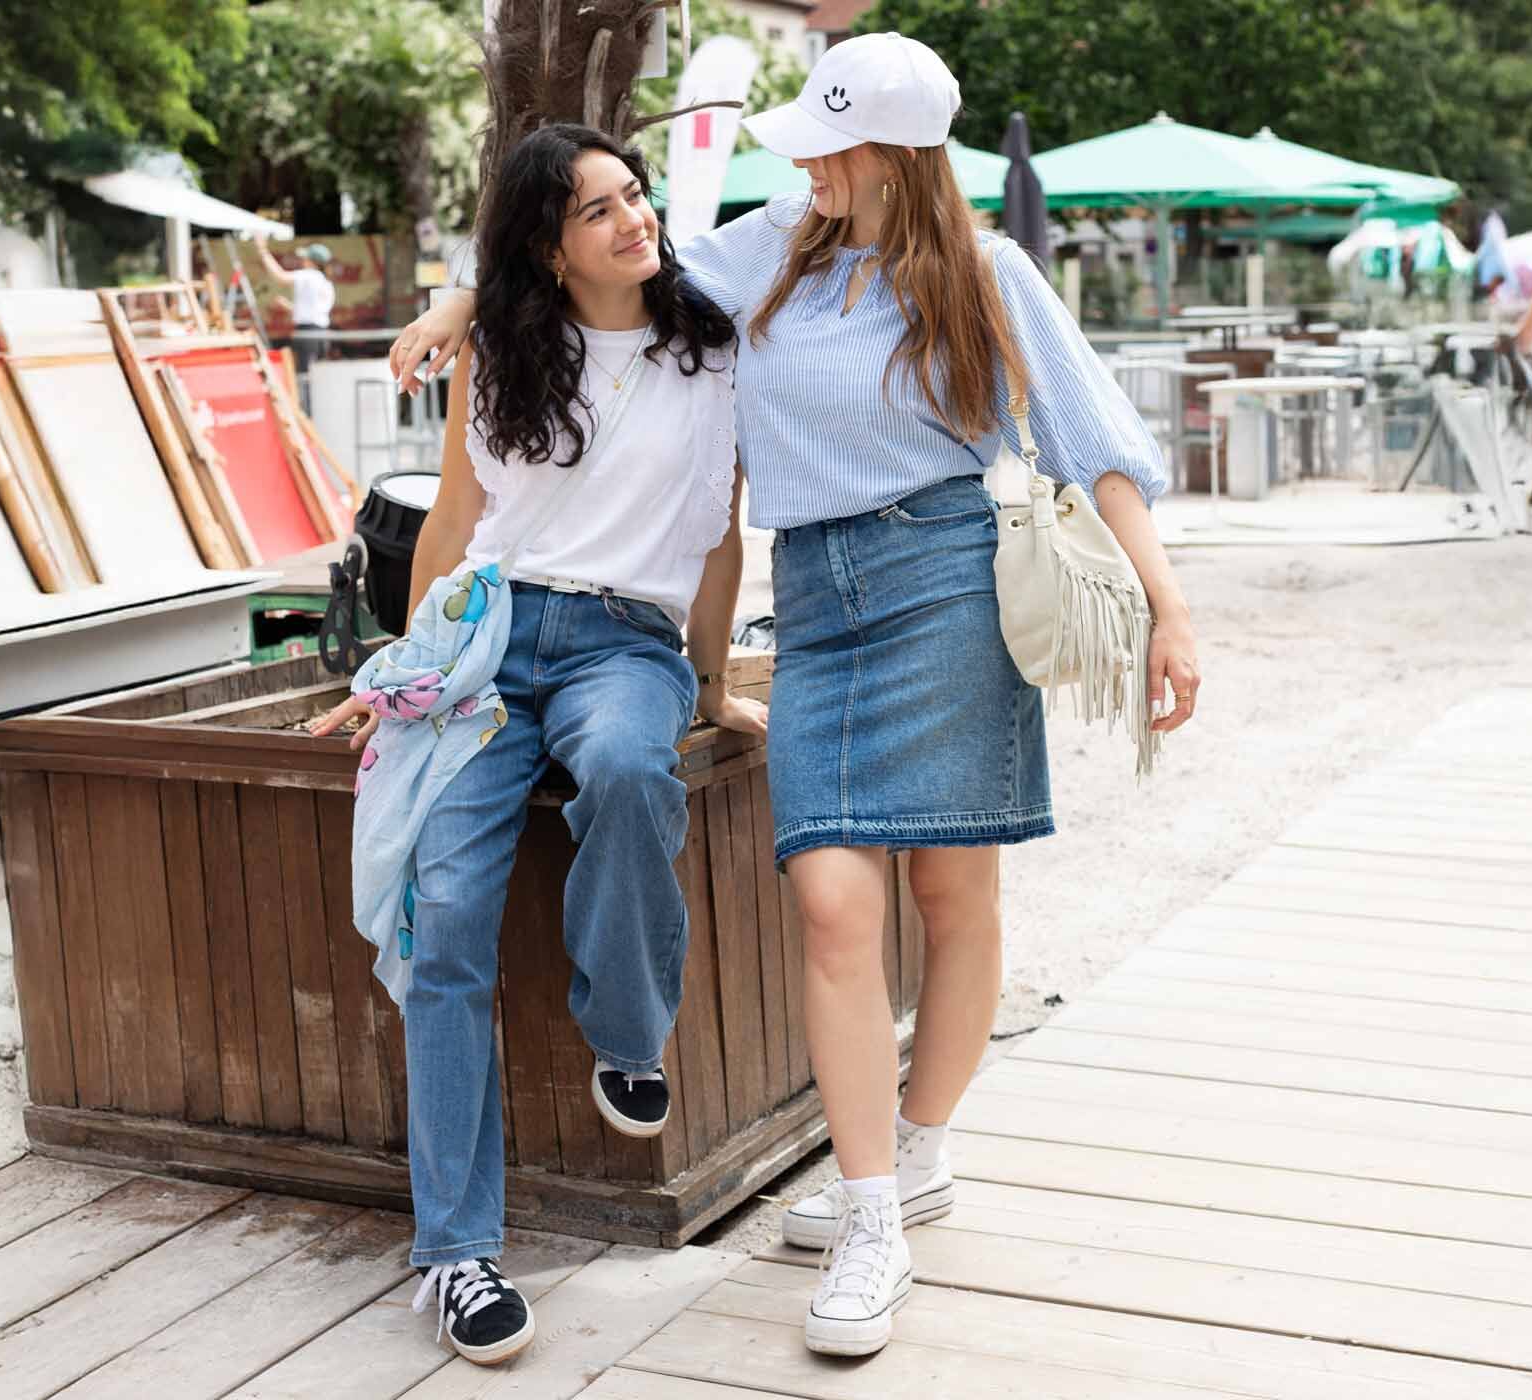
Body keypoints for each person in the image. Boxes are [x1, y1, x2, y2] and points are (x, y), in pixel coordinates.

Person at [389, 33, 1200, 1360]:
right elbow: (573, 267)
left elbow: (1094, 448)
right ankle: (870, 1212)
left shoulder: (987, 276)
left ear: (891, 154)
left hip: (946, 580)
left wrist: (1167, 608)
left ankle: (915, 1154)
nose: (801, 162)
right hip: (819, 600)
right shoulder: (762, 250)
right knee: (831, 897)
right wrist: (448, 309)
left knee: (948, 895)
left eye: (826, 143)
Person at [313, 124, 765, 1365]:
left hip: (627, 637)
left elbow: (720, 536)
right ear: (547, 246)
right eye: (599, 210)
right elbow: (458, 515)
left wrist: (712, 680)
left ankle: (626, 1028)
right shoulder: (503, 352)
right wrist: (404, 672)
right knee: (445, 911)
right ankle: (457, 1252)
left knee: (627, 768)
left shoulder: (711, 341)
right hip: (491, 633)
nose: (634, 220)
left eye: (636, 194)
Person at [253, 234, 336, 392]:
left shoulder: (309, 275)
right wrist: (288, 306)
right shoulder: (327, 283)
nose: (302, 261)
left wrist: (262, 250)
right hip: (322, 334)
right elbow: (314, 312)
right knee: (317, 379)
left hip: (307, 335)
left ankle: (308, 413)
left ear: (312, 262)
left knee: (304, 379)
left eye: (305, 258)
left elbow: (280, 276)